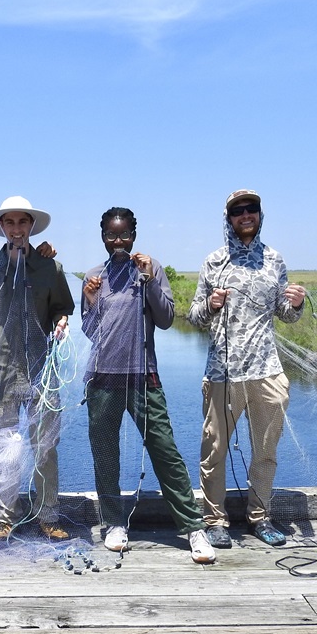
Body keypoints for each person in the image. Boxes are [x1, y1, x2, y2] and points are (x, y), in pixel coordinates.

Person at [81, 207, 215, 563]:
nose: (119, 242)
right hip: (102, 379)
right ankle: (113, 524)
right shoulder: (94, 276)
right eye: (112, 235)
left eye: (124, 235)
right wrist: (91, 299)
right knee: (106, 455)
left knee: (165, 451)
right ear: (103, 237)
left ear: (134, 236)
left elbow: (168, 319)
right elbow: (91, 330)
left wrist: (150, 279)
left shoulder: (150, 271)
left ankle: (192, 528)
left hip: (144, 377)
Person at [187, 189, 306, 549]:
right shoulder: (214, 261)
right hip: (222, 373)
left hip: (267, 371)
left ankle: (260, 517)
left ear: (259, 214)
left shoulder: (274, 259)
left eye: (251, 209)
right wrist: (210, 303)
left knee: (266, 451)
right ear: (229, 218)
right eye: (237, 211)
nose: (245, 215)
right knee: (214, 451)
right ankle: (215, 521)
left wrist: (296, 304)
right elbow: (193, 318)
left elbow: (285, 316)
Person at [0, 196, 75, 542]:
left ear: (31, 226)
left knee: (45, 447)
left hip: (43, 373)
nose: (17, 229)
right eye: (10, 223)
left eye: (22, 223)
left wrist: (61, 323)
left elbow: (62, 309)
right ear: (2, 227)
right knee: (5, 450)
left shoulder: (50, 268)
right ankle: (5, 520)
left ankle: (48, 517)